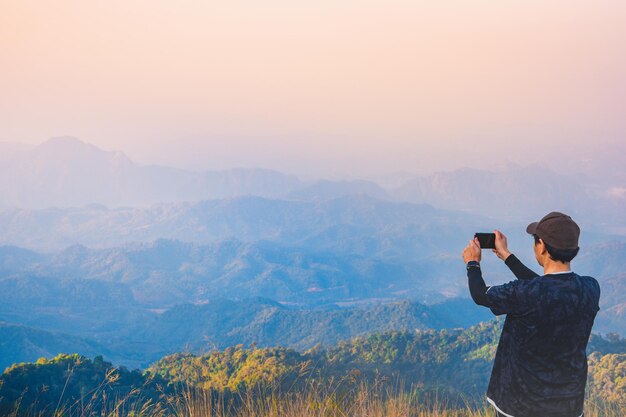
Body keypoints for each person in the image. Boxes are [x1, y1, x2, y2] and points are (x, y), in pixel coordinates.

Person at [462, 212, 600, 417]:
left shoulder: (525, 294)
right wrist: (507, 257)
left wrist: (472, 263)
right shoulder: (590, 288)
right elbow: (550, 287)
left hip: (520, 405)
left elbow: (481, 295)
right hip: (568, 405)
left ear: (541, 246)